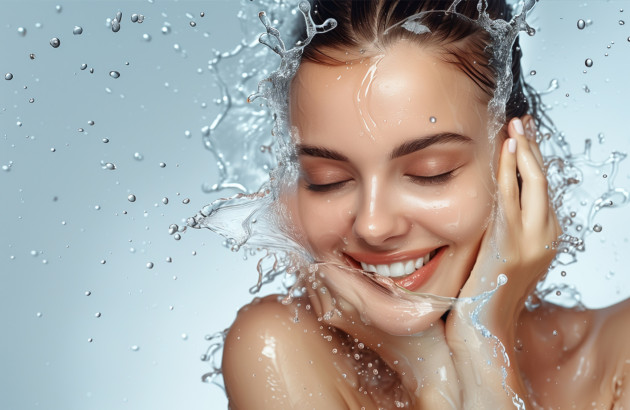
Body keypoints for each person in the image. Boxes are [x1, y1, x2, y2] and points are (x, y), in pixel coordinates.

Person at [221, 0, 630, 408]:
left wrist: (484, 342)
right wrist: (430, 372)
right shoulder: (277, 348)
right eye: (328, 180)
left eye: (430, 172)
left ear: (520, 156)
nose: (373, 225)